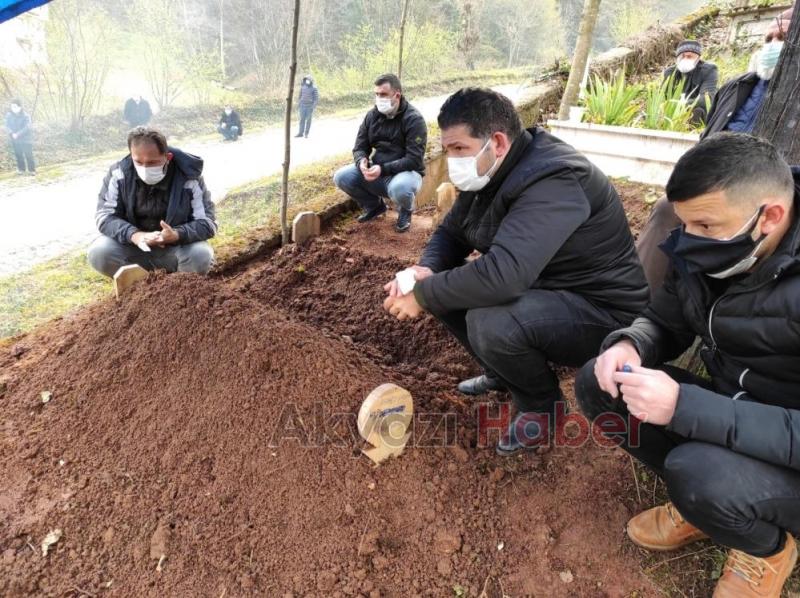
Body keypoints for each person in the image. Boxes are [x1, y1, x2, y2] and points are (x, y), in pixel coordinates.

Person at [576, 133, 800, 598]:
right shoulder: (718, 248)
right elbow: (666, 319)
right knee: (601, 384)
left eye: (704, 225)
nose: (689, 242)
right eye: (684, 223)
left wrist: (685, 407)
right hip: (737, 403)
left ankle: (767, 547)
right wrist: (631, 344)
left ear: (771, 216)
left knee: (698, 473)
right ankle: (703, 504)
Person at [382, 88, 649, 455]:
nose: (452, 160)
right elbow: (452, 232)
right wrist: (424, 271)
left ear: (497, 142)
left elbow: (504, 275)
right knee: (447, 289)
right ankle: (503, 373)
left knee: (490, 320)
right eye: (447, 151)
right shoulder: (493, 171)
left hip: (603, 312)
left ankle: (542, 407)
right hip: (547, 290)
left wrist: (424, 293)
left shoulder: (554, 179)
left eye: (458, 149)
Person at [637, 9, 793, 294]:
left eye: (782, 38)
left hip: (764, 191)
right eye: (768, 37)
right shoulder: (737, 86)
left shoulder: (790, 99)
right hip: (715, 183)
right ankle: (636, 295)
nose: (772, 44)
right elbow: (707, 140)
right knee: (667, 210)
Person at [88, 127, 217, 278]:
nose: (145, 168)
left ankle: (180, 286)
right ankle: (139, 287)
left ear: (167, 157)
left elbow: (207, 223)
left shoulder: (188, 177)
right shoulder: (119, 174)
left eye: (152, 162)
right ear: (131, 156)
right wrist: (135, 235)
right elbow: (104, 216)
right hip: (135, 247)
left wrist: (176, 234)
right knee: (99, 252)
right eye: (138, 162)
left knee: (201, 255)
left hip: (176, 249)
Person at [333, 73, 427, 233]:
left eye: (383, 94)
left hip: (405, 173)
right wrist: (361, 161)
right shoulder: (372, 116)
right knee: (341, 177)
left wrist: (382, 169)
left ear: (397, 95)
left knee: (400, 188)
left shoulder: (414, 120)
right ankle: (374, 206)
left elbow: (414, 160)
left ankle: (405, 210)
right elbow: (359, 146)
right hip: (378, 171)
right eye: (376, 94)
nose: (378, 98)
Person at [662, 40, 718, 125]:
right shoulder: (670, 72)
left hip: (697, 111)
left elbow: (707, 98)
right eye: (682, 56)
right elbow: (662, 96)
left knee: (697, 111)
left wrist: (681, 103)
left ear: (698, 58)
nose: (685, 59)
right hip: (672, 112)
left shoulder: (709, 70)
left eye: (689, 56)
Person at [4, 99, 35, 175]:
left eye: (15, 106)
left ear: (20, 107)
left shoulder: (26, 116)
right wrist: (11, 133)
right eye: (11, 106)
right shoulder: (9, 115)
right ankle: (21, 169)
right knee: (18, 155)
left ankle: (32, 170)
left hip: (26, 139)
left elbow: (27, 127)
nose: (13, 108)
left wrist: (18, 134)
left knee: (28, 155)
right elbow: (7, 126)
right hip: (15, 139)